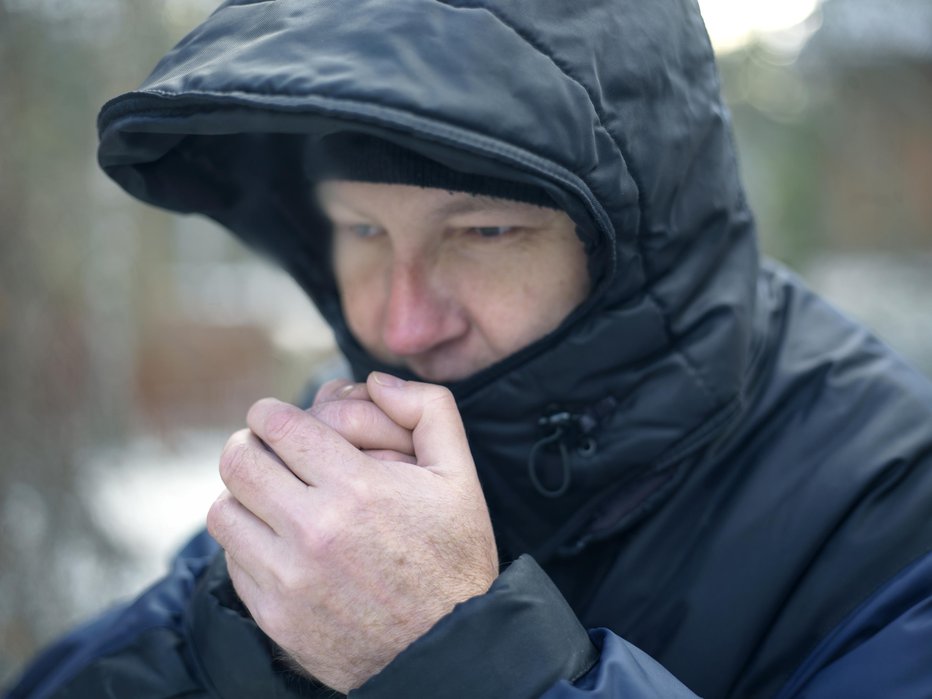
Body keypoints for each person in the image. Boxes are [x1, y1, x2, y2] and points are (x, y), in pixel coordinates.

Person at [7, 0, 932, 697]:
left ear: (637, 239)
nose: (403, 326)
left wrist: (464, 652)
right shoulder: (367, 435)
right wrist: (256, 630)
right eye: (362, 232)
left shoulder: (894, 506)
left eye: (484, 232)